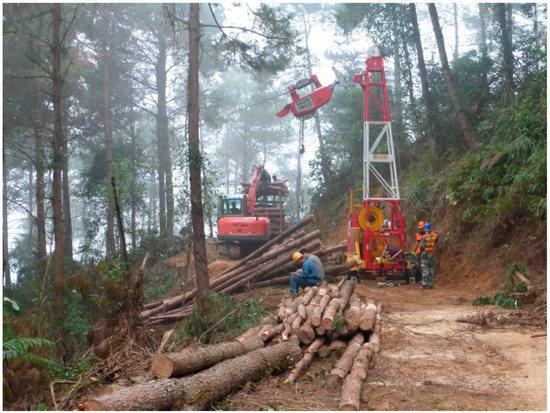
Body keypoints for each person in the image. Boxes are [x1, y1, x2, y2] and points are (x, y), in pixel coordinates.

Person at [419, 222, 438, 289]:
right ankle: (431, 284)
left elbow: (422, 246)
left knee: (425, 269)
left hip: (425, 254)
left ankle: (425, 284)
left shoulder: (424, 236)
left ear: (425, 228)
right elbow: (435, 242)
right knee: (431, 269)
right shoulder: (434, 235)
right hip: (431, 254)